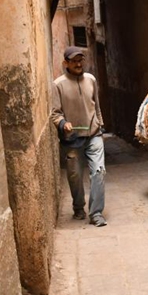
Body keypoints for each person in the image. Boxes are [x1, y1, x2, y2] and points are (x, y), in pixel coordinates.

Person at [51, 46, 107, 227]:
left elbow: (96, 105)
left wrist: (100, 123)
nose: (78, 64)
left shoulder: (91, 80)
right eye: (74, 61)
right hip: (72, 138)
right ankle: (78, 207)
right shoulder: (58, 84)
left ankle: (96, 213)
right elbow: (54, 113)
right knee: (74, 175)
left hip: (93, 134)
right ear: (65, 63)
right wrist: (62, 123)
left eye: (80, 60)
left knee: (99, 171)